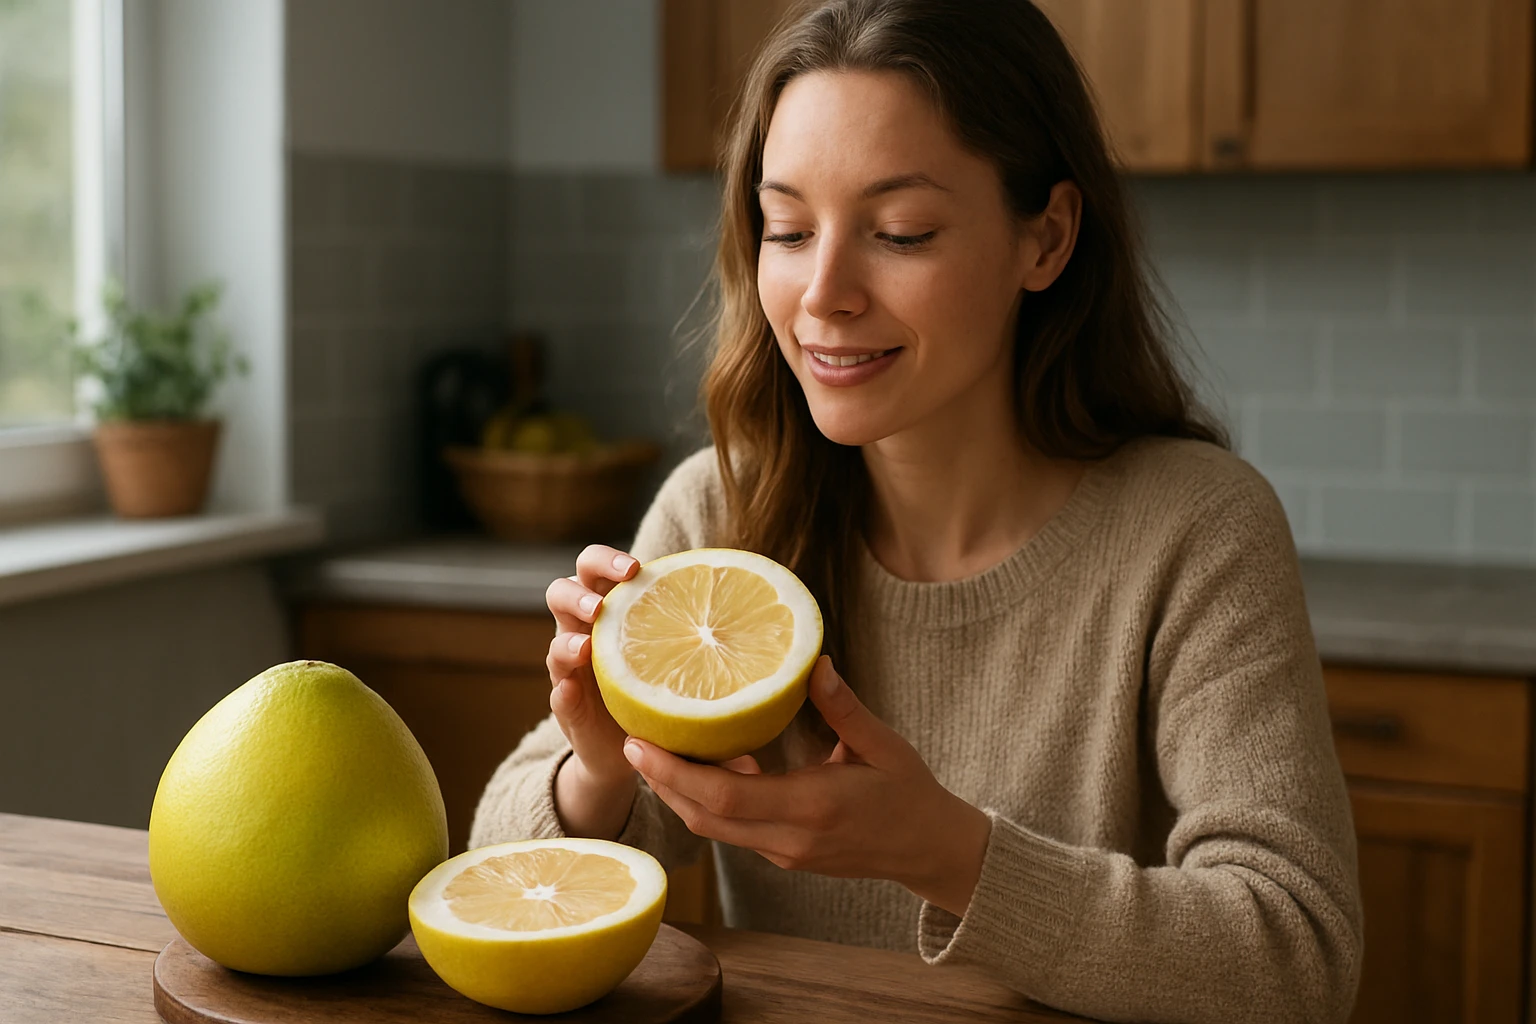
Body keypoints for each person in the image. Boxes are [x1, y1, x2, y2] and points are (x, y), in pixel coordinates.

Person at [471, 1, 1362, 1020]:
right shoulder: (720, 512)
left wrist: (945, 851)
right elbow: (498, 880)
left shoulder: (1198, 531)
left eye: (900, 232)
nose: (823, 292)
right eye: (788, 229)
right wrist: (597, 770)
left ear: (1047, 238)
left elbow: (1296, 957)